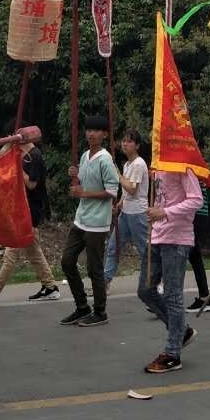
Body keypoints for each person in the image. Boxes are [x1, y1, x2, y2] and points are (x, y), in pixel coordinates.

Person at [0, 137, 59, 305]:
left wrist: (16, 164)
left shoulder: (35, 156)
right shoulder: (17, 152)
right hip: (20, 209)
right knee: (34, 252)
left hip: (31, 210)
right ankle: (50, 286)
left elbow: (32, 184)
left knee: (11, 253)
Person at [136, 162, 202, 373]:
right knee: (145, 290)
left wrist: (165, 212)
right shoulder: (156, 165)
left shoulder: (183, 167)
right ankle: (182, 330)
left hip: (177, 239)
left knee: (173, 295)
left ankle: (173, 354)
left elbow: (196, 200)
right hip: (156, 235)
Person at [59, 115, 119, 327]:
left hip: (97, 221)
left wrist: (83, 193)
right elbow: (84, 181)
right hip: (81, 218)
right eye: (89, 130)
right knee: (67, 261)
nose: (91, 134)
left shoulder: (105, 159)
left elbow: (112, 191)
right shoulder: (85, 156)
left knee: (94, 267)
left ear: (104, 134)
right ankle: (82, 306)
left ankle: (100, 311)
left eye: (96, 130)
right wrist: (75, 174)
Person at [103, 129, 150, 285]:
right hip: (126, 212)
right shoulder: (127, 164)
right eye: (123, 140)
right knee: (113, 247)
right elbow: (126, 192)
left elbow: (132, 188)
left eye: (129, 141)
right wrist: (119, 204)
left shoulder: (138, 164)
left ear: (137, 145)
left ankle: (154, 281)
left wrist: (117, 175)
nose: (125, 144)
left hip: (138, 213)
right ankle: (105, 281)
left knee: (144, 250)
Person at [184, 188, 210, 315]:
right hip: (198, 213)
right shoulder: (195, 168)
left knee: (183, 254)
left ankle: (165, 295)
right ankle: (204, 297)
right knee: (194, 256)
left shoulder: (192, 169)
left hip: (195, 214)